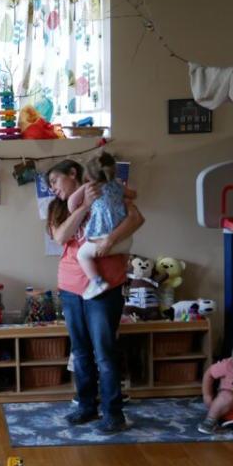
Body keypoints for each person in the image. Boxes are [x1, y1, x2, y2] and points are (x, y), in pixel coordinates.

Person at [46, 158, 144, 432]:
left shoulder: (110, 190)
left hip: (106, 288)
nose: (53, 188)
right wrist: (85, 205)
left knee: (104, 352)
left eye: (55, 181)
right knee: (80, 352)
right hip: (70, 288)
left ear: (73, 173)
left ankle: (113, 413)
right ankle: (86, 406)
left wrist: (110, 240)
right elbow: (61, 237)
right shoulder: (58, 207)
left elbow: (137, 219)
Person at [69, 150, 134, 300]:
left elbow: (71, 205)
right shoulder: (118, 184)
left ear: (89, 175)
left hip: (102, 239)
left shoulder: (90, 187)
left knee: (82, 255)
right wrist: (125, 199)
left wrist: (82, 193)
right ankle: (125, 275)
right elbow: (133, 194)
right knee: (124, 257)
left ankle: (97, 281)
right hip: (125, 241)